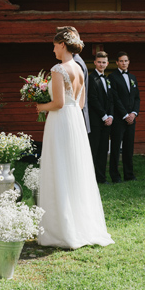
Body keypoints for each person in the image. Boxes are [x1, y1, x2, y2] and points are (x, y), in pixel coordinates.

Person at [35, 27, 114, 249]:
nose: (53, 49)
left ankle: (62, 230)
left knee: (59, 168)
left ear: (62, 44)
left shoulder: (58, 69)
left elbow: (58, 103)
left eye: (54, 45)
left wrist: (40, 106)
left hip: (60, 121)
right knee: (74, 170)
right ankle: (79, 224)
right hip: (75, 121)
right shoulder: (81, 69)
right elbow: (79, 104)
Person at [109, 51, 140, 183]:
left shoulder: (133, 77)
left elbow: (137, 98)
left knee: (129, 147)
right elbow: (115, 98)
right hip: (119, 118)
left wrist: (134, 113)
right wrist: (125, 115)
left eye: (126, 61)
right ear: (117, 62)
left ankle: (129, 174)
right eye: (121, 61)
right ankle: (115, 176)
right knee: (116, 148)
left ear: (128, 62)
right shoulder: (112, 77)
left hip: (132, 118)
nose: (124, 63)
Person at [87, 51, 114, 184]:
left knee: (104, 150)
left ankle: (101, 177)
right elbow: (93, 99)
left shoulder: (108, 79)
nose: (101, 64)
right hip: (96, 121)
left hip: (107, 121)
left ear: (107, 64)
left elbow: (110, 99)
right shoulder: (91, 79)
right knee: (94, 150)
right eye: (99, 62)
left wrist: (110, 116)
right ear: (95, 63)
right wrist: (103, 116)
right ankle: (91, 179)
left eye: (104, 62)